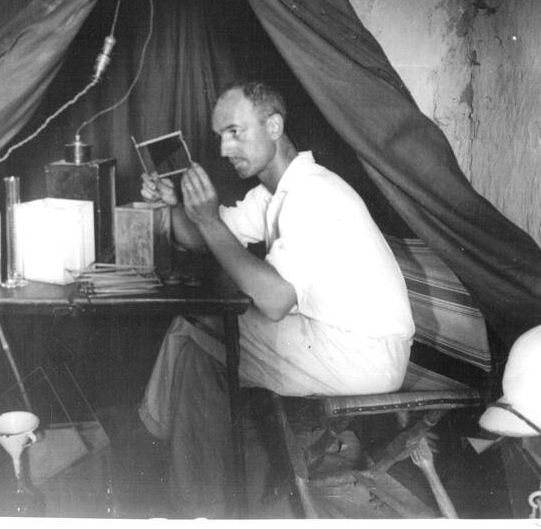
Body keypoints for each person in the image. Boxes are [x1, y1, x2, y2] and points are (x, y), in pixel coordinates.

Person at [134, 80, 415, 517]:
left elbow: (274, 300)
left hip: (360, 356)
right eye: (219, 137)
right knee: (196, 328)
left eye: (234, 132)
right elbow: (204, 238)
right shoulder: (275, 194)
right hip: (337, 342)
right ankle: (178, 455)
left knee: (197, 338)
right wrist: (174, 207)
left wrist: (206, 220)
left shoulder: (313, 195)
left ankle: (192, 497)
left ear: (274, 125)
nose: (225, 149)